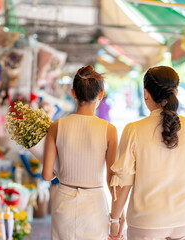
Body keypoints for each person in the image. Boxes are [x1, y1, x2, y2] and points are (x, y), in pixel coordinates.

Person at [109, 66, 185, 239]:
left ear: (146, 93)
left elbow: (123, 184)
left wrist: (114, 220)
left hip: (146, 223)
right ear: (175, 92)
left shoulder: (133, 130)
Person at [42, 65, 120, 239]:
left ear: (73, 93)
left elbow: (47, 175)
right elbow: (112, 181)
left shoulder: (56, 126)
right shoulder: (109, 130)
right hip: (95, 205)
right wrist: (116, 220)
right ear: (100, 95)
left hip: (64, 203)